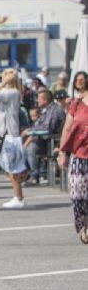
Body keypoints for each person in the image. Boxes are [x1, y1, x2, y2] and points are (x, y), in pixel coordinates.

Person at [0, 68, 26, 208]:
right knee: (10, 167)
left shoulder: (11, 92)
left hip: (10, 133)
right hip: (8, 132)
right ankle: (18, 196)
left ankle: (18, 197)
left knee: (13, 168)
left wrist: (1, 84)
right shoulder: (14, 92)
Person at [57, 87, 88, 244]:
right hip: (79, 156)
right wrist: (63, 153)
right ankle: (83, 224)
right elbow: (67, 129)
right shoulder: (76, 104)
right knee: (77, 196)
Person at [22, 88, 66, 185]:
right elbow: (39, 126)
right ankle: (28, 174)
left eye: (39, 99)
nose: (37, 101)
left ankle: (35, 176)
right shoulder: (46, 111)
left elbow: (47, 129)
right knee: (24, 148)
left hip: (55, 142)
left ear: (45, 100)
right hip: (46, 141)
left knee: (31, 148)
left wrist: (30, 131)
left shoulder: (55, 110)